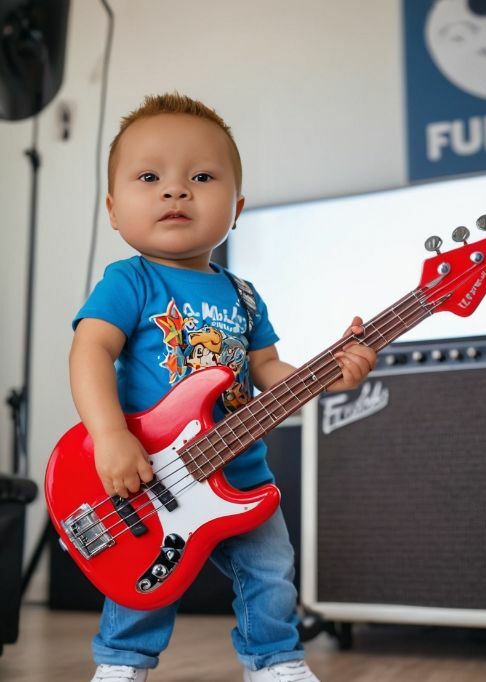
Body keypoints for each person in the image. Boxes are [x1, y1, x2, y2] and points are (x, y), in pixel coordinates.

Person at [70, 92, 377, 682]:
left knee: (271, 573)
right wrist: (109, 436)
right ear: (113, 209)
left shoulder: (245, 296)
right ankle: (121, 665)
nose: (175, 191)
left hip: (241, 472)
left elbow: (268, 370)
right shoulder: (128, 281)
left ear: (236, 208)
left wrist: (330, 375)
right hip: (149, 473)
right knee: (146, 578)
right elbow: (89, 350)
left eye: (202, 177)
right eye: (150, 177)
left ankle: (276, 664)